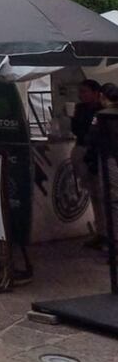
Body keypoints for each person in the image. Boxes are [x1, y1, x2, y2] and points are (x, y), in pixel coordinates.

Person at [72, 80, 104, 248]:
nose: (81, 95)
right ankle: (101, 231)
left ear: (95, 92)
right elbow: (77, 130)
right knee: (94, 194)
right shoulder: (80, 109)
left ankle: (108, 233)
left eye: (85, 91)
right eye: (80, 92)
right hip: (83, 150)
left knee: (103, 194)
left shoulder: (103, 110)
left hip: (98, 154)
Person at [87, 83, 118, 252]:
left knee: (111, 200)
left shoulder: (101, 115)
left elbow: (92, 136)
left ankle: (114, 241)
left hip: (108, 160)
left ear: (101, 96)